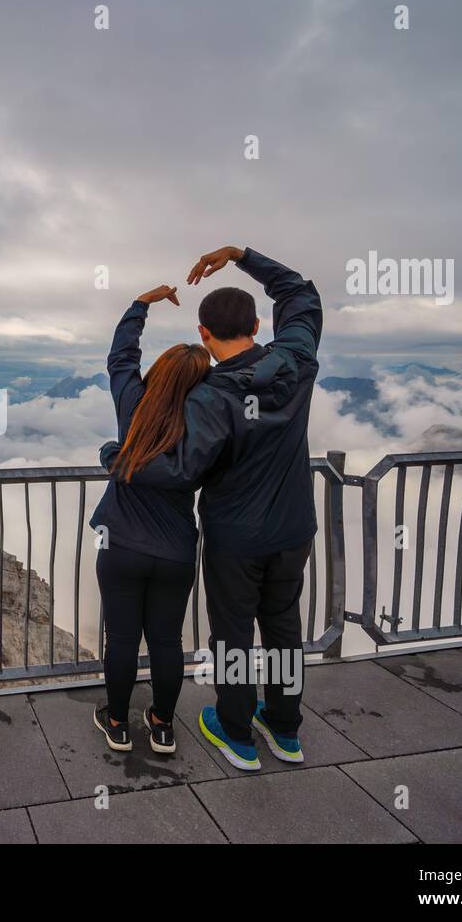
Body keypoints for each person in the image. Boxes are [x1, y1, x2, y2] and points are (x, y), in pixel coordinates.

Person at [106, 245, 322, 771]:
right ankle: (285, 728)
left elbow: (182, 469)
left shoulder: (211, 396)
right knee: (283, 627)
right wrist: (240, 255)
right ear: (256, 323)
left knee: (234, 634)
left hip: (236, 535)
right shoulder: (296, 361)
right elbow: (300, 293)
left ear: (204, 334)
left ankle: (236, 731)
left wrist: (119, 457)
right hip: (293, 527)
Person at [89, 283, 211, 756]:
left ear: (157, 372)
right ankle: (161, 725)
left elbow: (120, 357)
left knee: (120, 637)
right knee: (165, 638)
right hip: (175, 550)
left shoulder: (132, 405)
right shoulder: (205, 423)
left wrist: (141, 304)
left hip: (120, 545)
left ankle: (117, 723)